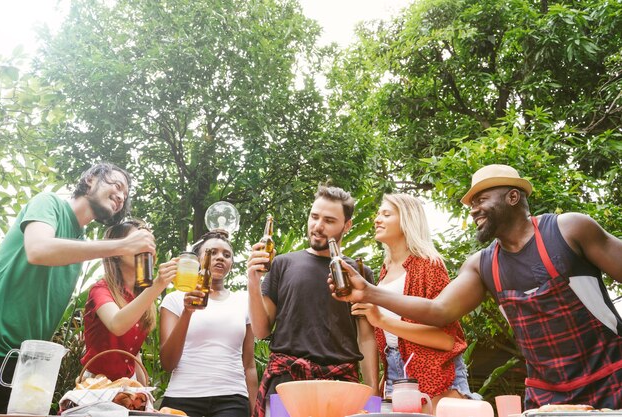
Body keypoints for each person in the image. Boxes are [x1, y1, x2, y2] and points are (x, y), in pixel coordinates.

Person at [332, 164, 622, 410]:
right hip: (546, 393)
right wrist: (369, 293)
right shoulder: (482, 266)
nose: (473, 210)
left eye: (481, 200)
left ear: (512, 197)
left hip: (610, 378)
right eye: (471, 204)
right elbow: (439, 310)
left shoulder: (569, 230)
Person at [0, 162, 156, 412]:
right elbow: (38, 250)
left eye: (125, 194)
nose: (121, 195)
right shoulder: (48, 203)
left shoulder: (79, 244)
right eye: (116, 185)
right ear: (91, 178)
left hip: (25, 360)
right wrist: (123, 246)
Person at [247, 185, 379, 417]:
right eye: (314, 217)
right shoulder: (282, 264)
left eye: (329, 220)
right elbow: (260, 331)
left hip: (342, 384)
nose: (318, 226)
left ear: (346, 226)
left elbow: (366, 338)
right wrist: (252, 280)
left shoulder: (358, 273)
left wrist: (373, 397)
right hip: (285, 382)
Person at [352, 193, 480, 413]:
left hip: (435, 372)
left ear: (406, 220)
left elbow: (446, 340)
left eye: (386, 214)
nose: (377, 219)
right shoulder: (384, 272)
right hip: (396, 375)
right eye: (378, 214)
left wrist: (381, 320)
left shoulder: (429, 264)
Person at [159, 230, 258, 417]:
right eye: (212, 253)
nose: (220, 258)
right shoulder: (175, 299)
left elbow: (249, 365)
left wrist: (255, 411)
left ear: (231, 263)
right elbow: (167, 363)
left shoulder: (244, 302)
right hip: (182, 396)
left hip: (232, 399)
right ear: (198, 259)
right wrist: (187, 312)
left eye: (226, 255)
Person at [81, 219, 176, 384]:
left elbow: (132, 352)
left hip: (127, 385)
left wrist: (144, 391)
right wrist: (158, 285)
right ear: (117, 250)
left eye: (150, 243)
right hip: (96, 385)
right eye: (139, 241)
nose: (147, 248)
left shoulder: (141, 296)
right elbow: (117, 325)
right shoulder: (101, 289)